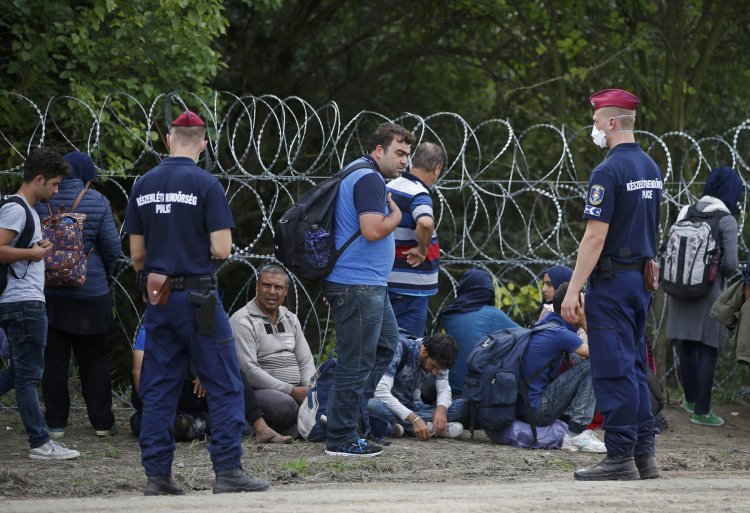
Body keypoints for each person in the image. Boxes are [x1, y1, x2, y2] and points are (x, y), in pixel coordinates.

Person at [123, 110, 269, 495]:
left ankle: (157, 476)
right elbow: (222, 249)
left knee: (158, 387)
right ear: (203, 144)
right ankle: (227, 471)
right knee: (223, 382)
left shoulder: (144, 184)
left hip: (159, 297)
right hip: (200, 299)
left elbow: (137, 255)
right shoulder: (206, 184)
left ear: (169, 140)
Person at [561, 89, 662, 481]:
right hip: (641, 281)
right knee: (634, 366)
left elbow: (594, 238)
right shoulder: (650, 167)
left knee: (613, 370)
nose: (595, 128)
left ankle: (619, 455)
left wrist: (572, 289)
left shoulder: (608, 171)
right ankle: (643, 454)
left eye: (597, 121)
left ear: (613, 123)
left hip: (612, 282)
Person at [322, 122, 415, 457]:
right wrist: (396, 213)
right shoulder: (369, 178)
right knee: (355, 361)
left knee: (386, 345)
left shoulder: (359, 173)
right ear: (379, 150)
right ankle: (340, 438)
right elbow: (372, 230)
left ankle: (352, 423)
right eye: (399, 152)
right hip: (357, 284)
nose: (404, 160)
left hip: (369, 284)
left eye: (407, 154)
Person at [35, 151, 121, 439]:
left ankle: (56, 423)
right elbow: (112, 248)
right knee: (94, 359)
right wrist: (100, 275)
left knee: (55, 359)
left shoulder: (43, 199)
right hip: (90, 293)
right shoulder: (97, 201)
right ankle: (102, 423)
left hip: (50, 292)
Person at [0, 147, 79, 460]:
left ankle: (40, 441)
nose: (56, 190)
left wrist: (36, 248)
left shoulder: (25, 210)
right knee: (28, 376)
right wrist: (33, 254)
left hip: (24, 301)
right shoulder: (17, 209)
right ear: (39, 179)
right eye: (55, 184)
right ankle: (40, 442)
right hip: (22, 303)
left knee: (21, 370)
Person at [667, 167, 741, 427]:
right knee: (708, 348)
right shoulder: (726, 219)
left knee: (687, 343)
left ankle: (689, 400)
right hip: (709, 291)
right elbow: (731, 264)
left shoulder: (686, 210)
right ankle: (702, 411)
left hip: (679, 288)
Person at [130, 326, 289, 443]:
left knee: (233, 374)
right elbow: (138, 371)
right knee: (168, 425)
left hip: (189, 389)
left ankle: (261, 428)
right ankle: (201, 423)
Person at [230, 263, 315, 437]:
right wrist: (291, 391)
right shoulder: (242, 320)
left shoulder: (291, 318)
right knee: (287, 407)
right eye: (266, 285)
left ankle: (298, 427)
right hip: (261, 392)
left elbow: (305, 361)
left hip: (297, 390)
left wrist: (309, 389)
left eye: (278, 287)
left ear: (286, 290)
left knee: (324, 398)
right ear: (257, 286)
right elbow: (249, 370)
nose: (272, 291)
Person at [521, 283, 605, 453]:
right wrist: (583, 321)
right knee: (593, 365)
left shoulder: (546, 323)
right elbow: (603, 353)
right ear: (575, 307)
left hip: (523, 408)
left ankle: (572, 425)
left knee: (574, 358)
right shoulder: (560, 333)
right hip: (538, 411)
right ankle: (577, 433)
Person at [386, 142, 445, 337]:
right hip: (410, 286)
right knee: (404, 348)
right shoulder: (419, 193)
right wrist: (422, 249)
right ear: (436, 169)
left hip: (387, 278)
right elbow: (426, 223)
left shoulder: (390, 186)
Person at [368, 334, 467, 440]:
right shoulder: (399, 349)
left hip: (416, 407)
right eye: (433, 366)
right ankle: (432, 428)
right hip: (389, 406)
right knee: (371, 405)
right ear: (424, 351)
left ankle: (399, 427)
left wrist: (441, 410)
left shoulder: (440, 359)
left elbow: (444, 389)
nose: (434, 372)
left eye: (438, 369)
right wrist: (413, 419)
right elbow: (380, 392)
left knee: (465, 406)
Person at [439, 268, 518, 395]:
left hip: (448, 390)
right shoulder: (493, 314)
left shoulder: (449, 313)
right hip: (477, 392)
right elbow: (525, 337)